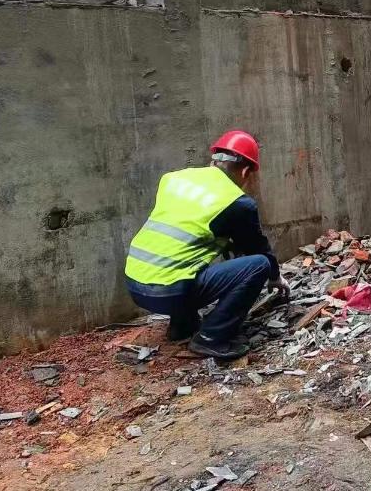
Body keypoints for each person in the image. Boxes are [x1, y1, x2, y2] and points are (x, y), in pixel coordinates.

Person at [124, 130, 289, 360]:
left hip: (134, 284)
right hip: (169, 292)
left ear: (214, 159)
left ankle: (182, 326)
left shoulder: (174, 179)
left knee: (185, 259)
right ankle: (211, 338)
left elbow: (184, 231)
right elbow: (257, 249)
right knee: (259, 264)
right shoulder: (237, 202)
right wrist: (275, 276)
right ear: (245, 172)